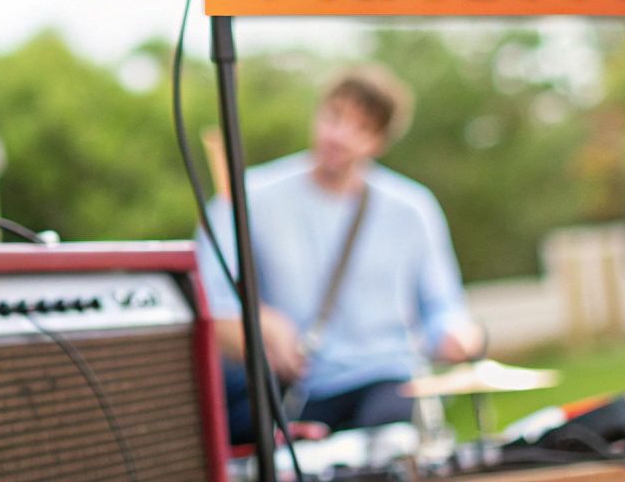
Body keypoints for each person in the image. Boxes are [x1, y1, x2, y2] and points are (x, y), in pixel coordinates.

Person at [195, 65, 483, 444]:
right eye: (334, 117)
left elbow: (443, 305)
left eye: (361, 128)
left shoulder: (412, 209)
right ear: (317, 113)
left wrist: (456, 334)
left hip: (385, 379)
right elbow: (208, 304)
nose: (339, 135)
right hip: (295, 389)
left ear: (379, 142)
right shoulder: (247, 198)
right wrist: (262, 322)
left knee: (393, 440)